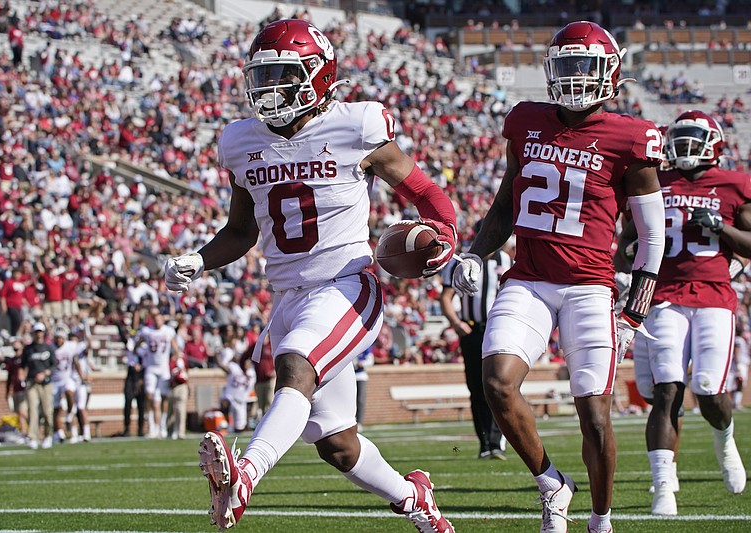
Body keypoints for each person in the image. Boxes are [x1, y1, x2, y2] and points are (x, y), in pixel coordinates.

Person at [164, 19, 457, 532]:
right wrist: (199, 259)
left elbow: (427, 193)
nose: (269, 89)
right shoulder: (240, 140)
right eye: (263, 76)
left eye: (282, 75)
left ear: (317, 76)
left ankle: (244, 476)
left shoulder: (356, 126)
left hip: (346, 283)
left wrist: (445, 230)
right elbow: (240, 230)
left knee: (294, 366)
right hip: (289, 294)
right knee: (337, 446)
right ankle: (415, 499)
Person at [453, 21, 666, 533]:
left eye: (585, 65)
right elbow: (505, 207)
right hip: (527, 278)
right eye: (565, 64)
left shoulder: (629, 136)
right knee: (497, 384)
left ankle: (600, 519)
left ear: (611, 73)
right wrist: (476, 253)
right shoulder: (525, 120)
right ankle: (552, 483)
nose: (573, 76)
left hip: (591, 287)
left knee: (594, 414)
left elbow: (652, 237)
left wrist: (634, 309)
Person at [617, 110, 749, 515]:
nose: (684, 144)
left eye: (693, 136)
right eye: (680, 136)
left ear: (715, 144)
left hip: (713, 295)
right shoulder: (655, 181)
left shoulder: (734, 184)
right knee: (667, 389)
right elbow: (626, 247)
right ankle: (663, 488)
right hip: (664, 296)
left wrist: (721, 229)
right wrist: (630, 255)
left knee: (709, 388)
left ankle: (724, 439)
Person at [440, 232, 511, 460]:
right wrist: (456, 323)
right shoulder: (461, 262)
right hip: (472, 329)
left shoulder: (506, 261)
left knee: (498, 385)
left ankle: (497, 441)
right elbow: (446, 296)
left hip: (498, 327)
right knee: (476, 388)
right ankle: (485, 443)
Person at [138, 310, 179, 439]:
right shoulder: (147, 331)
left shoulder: (168, 331)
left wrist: (175, 359)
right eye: (155, 319)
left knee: (164, 397)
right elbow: (138, 341)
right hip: (151, 367)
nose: (157, 322)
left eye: (159, 319)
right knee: (150, 397)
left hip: (163, 368)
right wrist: (136, 353)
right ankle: (152, 427)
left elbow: (176, 348)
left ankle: (162, 426)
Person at [20, 322, 57, 449]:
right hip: (32, 383)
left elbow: (54, 366)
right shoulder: (28, 349)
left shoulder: (48, 348)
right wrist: (22, 377)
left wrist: (45, 373)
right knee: (33, 410)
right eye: (37, 332)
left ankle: (48, 435)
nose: (39, 334)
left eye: (40, 332)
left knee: (47, 411)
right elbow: (22, 366)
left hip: (46, 384)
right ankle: (33, 437)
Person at [354, 347, 374, 431]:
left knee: (360, 400)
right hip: (350, 376)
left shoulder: (366, 347)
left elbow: (371, 361)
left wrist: (362, 363)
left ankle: (359, 422)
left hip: (361, 376)